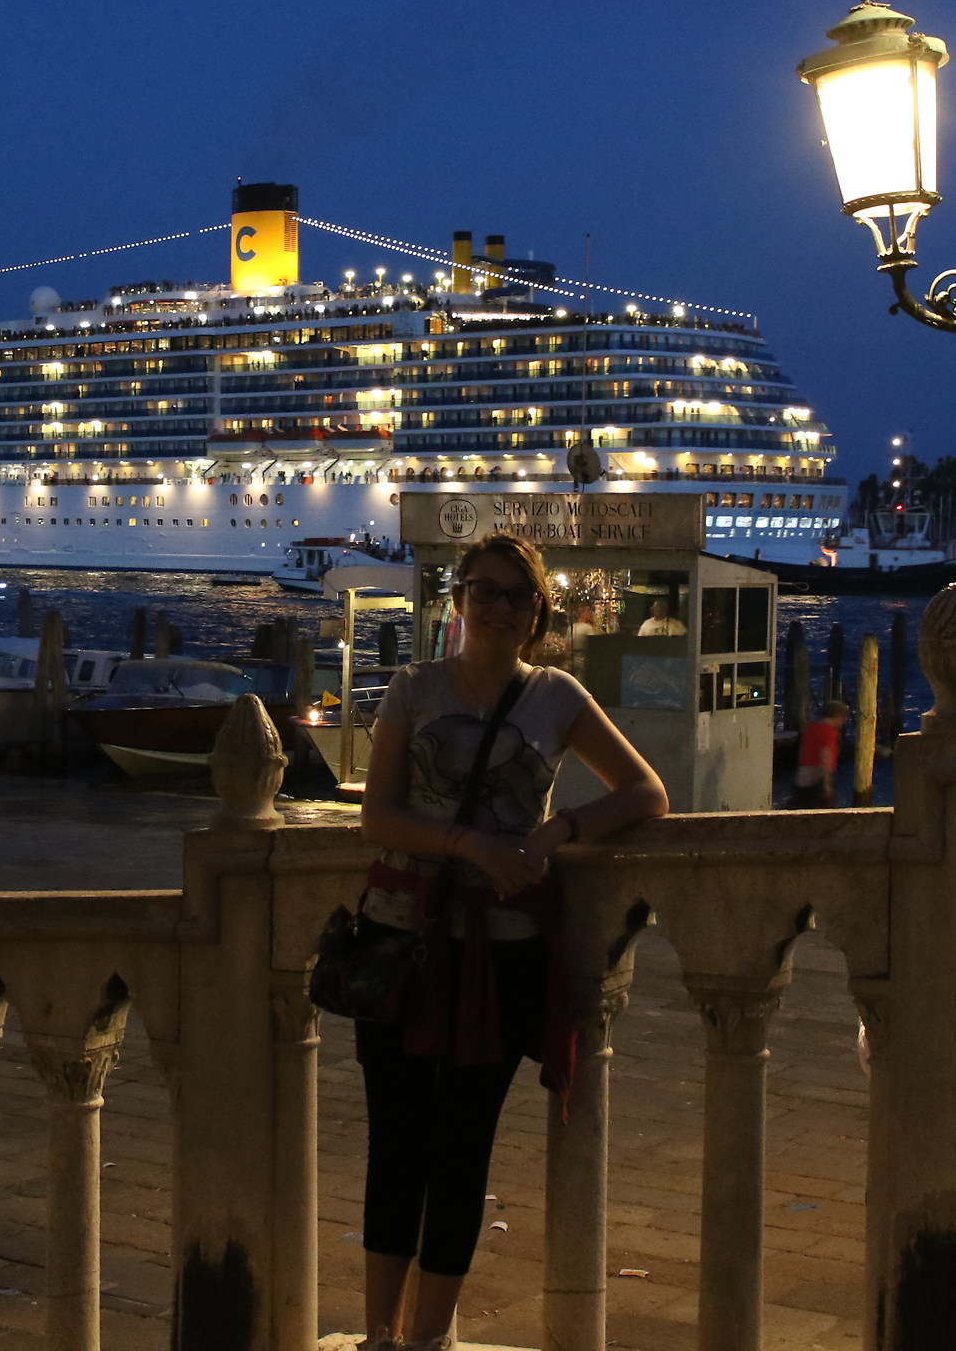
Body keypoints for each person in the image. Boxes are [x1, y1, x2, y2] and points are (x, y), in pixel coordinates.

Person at [353, 533, 667, 1351]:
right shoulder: (413, 689)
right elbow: (377, 816)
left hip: (506, 953)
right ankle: (377, 1335)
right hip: (402, 945)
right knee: (396, 1146)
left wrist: (558, 829)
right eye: (482, 591)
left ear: (537, 613)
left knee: (461, 1152)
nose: (497, 607)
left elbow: (646, 792)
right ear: (457, 600)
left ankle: (425, 1338)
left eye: (516, 596)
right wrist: (470, 847)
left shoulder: (556, 698)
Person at [793, 699, 848, 807]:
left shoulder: (811, 728)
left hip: (802, 774)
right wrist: (827, 784)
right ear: (838, 717)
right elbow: (825, 755)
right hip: (817, 776)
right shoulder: (830, 732)